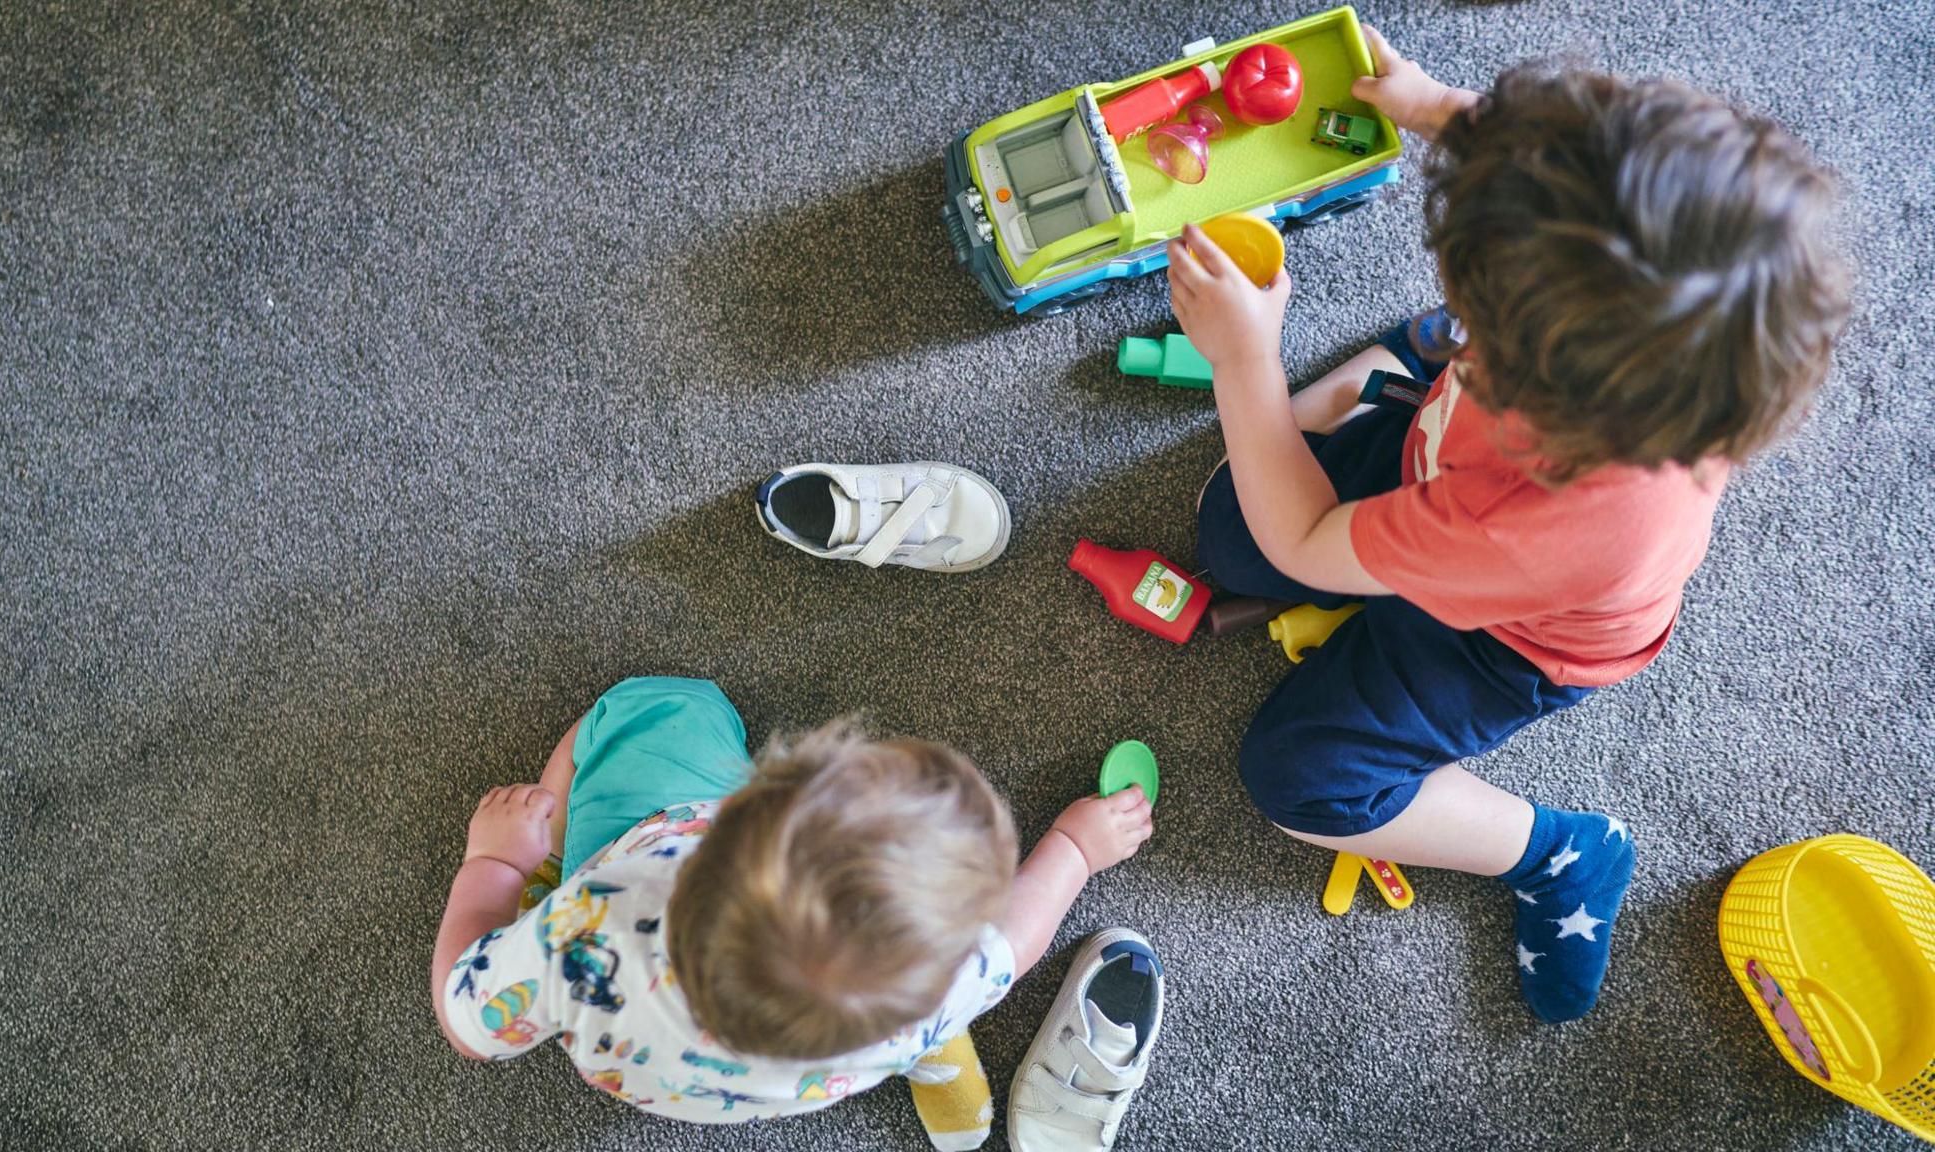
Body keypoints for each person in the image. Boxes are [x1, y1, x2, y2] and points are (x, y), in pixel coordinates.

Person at [1172, 29, 1849, 1022]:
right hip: (1439, 469)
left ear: (1551, 401)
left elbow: (1302, 542)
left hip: (1503, 642)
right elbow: (1577, 166)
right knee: (1223, 522)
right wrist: (1437, 108)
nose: (1464, 319)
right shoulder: (1669, 330)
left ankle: (1560, 851)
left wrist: (1244, 365)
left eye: (1476, 332)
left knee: (1297, 779)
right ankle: (1386, 378)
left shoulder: (1538, 516)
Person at [428, 676, 1153, 1120]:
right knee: (945, 1003)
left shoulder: (590, 932)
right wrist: (1078, 847)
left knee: (664, 705)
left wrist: (493, 862)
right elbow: (1013, 942)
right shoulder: (938, 984)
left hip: (644, 1054)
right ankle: (935, 1051)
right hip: (821, 1067)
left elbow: (467, 1025)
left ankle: (553, 858)